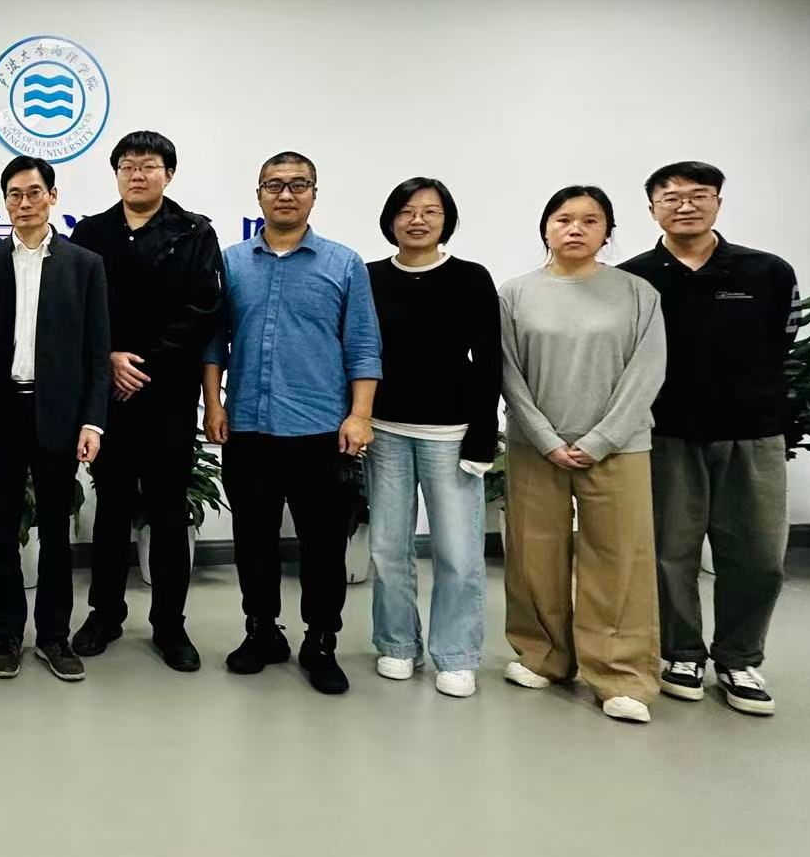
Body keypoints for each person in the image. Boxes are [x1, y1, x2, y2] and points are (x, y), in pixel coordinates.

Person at [620, 161, 798, 716]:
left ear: (718, 202)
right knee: (668, 552)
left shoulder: (766, 271)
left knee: (758, 555)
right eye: (670, 197)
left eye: (699, 195)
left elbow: (783, 346)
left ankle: (740, 657)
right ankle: (681, 654)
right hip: (667, 434)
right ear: (652, 209)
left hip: (752, 434)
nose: (685, 205)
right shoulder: (634, 278)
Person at [205, 151, 380, 696]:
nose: (285, 194)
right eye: (274, 185)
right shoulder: (232, 262)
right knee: (252, 540)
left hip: (319, 429)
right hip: (249, 426)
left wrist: (360, 415)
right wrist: (213, 404)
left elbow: (363, 345)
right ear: (258, 194)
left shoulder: (343, 263)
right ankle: (262, 631)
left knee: (323, 545)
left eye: (298, 184)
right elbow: (214, 342)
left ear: (313, 194)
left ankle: (321, 641)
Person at [499, 185, 666, 723]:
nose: (575, 228)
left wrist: (600, 440)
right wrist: (545, 437)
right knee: (534, 553)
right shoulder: (516, 294)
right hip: (536, 447)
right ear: (546, 228)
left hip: (618, 447)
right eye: (563, 219)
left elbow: (647, 372)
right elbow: (507, 372)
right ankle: (543, 655)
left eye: (590, 220)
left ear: (607, 232)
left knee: (619, 559)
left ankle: (620, 675)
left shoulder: (637, 293)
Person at [69, 130, 224, 672]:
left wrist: (144, 365)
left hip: (167, 395)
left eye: (149, 165)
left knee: (167, 509)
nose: (137, 174)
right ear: (116, 174)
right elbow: (77, 308)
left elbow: (204, 309)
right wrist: (110, 357)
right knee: (110, 508)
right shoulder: (91, 233)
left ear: (168, 174)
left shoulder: (194, 232)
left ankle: (169, 625)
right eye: (127, 166)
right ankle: (105, 614)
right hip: (108, 395)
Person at [0, 156, 109, 682]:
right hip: (2, 413)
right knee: (3, 529)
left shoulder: (84, 265)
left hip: (59, 414)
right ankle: (7, 633)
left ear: (53, 196)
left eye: (34, 193)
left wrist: (92, 422)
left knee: (55, 529)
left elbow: (98, 352)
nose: (24, 203)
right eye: (14, 194)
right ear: (5, 201)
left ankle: (53, 636)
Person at [363, 178, 500, 698]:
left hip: (451, 433)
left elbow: (489, 361)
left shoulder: (470, 277)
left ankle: (457, 654)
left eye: (430, 211)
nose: (417, 220)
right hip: (385, 431)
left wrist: (483, 434)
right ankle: (397, 644)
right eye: (406, 211)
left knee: (459, 553)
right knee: (387, 548)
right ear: (391, 219)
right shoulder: (370, 277)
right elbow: (356, 352)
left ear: (447, 220)